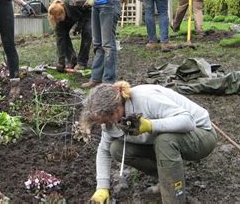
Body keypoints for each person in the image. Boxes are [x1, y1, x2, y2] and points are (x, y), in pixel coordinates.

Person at [80, 81, 217, 203]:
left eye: (106, 121)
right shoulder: (111, 120)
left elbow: (188, 122)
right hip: (165, 141)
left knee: (165, 141)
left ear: (115, 110)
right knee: (117, 149)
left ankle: (175, 199)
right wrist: (102, 187)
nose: (106, 125)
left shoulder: (145, 99)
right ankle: (168, 180)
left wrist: (150, 125)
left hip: (201, 135)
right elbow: (104, 150)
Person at [47, 0, 92, 72]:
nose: (59, 21)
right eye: (57, 20)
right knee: (62, 34)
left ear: (63, 12)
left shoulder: (73, 3)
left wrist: (79, 26)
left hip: (88, 10)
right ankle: (72, 60)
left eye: (60, 18)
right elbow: (60, 40)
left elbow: (87, 10)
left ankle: (82, 62)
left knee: (87, 32)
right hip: (74, 14)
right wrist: (61, 62)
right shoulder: (57, 19)